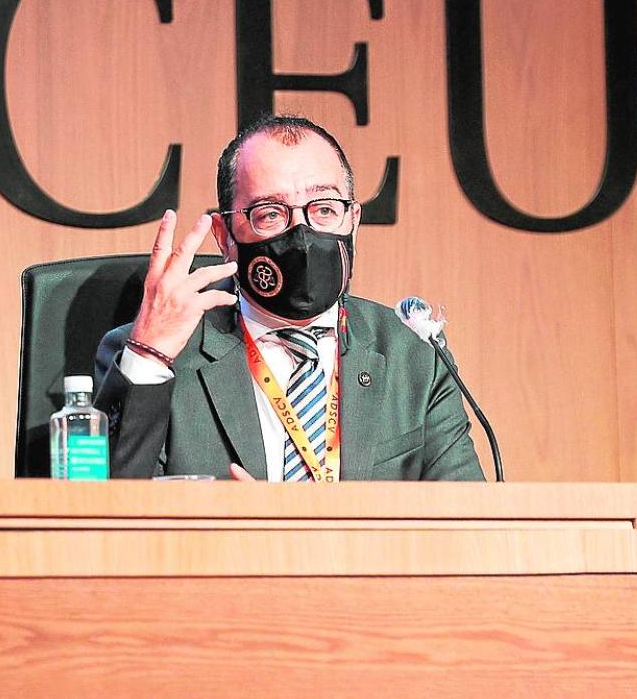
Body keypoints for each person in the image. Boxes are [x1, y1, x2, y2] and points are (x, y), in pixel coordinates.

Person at [94, 115, 485, 481]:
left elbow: (467, 528)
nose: (302, 234)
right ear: (225, 235)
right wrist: (148, 356)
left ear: (354, 221)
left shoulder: (415, 357)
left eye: (325, 209)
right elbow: (102, 517)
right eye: (270, 214)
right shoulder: (161, 359)